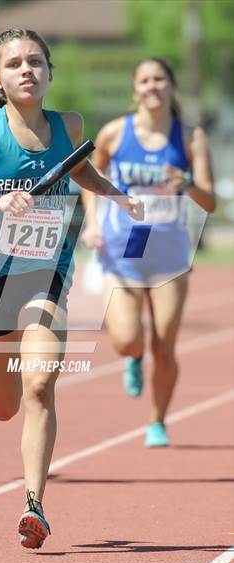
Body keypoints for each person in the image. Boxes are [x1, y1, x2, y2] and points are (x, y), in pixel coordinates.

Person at [0, 28, 141, 548]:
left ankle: (34, 505)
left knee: (41, 386)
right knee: (4, 406)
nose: (27, 70)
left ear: (49, 72)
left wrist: (118, 196)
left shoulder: (69, 125)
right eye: (16, 64)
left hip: (46, 275)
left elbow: (79, 171)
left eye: (36, 62)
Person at [81, 57, 215, 448]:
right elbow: (89, 179)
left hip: (169, 250)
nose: (152, 86)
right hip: (125, 246)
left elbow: (210, 202)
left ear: (171, 87)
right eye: (144, 80)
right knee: (126, 338)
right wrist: (92, 222)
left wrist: (187, 182)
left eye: (159, 79)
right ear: (134, 89)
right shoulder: (114, 133)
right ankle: (133, 357)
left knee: (166, 342)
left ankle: (157, 421)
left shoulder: (191, 138)